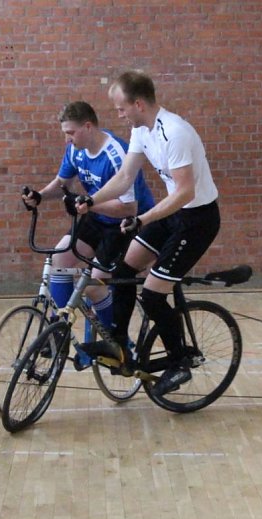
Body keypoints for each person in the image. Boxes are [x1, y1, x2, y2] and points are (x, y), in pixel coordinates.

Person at [76, 70, 221, 397]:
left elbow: (185, 192)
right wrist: (92, 198)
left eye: (120, 107)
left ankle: (179, 361)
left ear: (138, 103)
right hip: (172, 214)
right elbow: (125, 177)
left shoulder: (176, 133)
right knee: (123, 271)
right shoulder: (141, 130)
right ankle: (119, 345)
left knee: (153, 294)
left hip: (197, 219)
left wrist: (142, 219)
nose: (118, 114)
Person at [22, 101, 155, 358]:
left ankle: (119, 344)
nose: (67, 139)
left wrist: (89, 205)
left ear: (88, 126)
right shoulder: (76, 150)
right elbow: (62, 182)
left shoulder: (116, 154)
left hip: (125, 224)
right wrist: (40, 195)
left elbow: (128, 208)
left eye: (70, 133)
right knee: (60, 256)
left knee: (93, 284)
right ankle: (60, 328)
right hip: (96, 215)